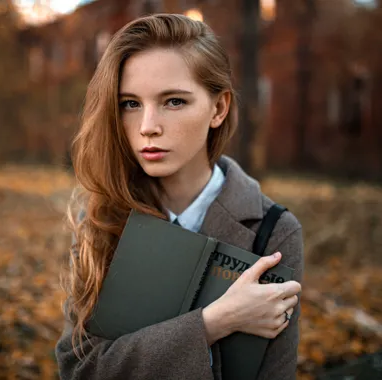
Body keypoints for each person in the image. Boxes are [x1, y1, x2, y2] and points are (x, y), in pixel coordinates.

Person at [56, 13, 303, 380]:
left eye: (173, 101)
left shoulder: (274, 231)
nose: (147, 127)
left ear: (218, 108)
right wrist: (211, 324)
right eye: (130, 103)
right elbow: (80, 369)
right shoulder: (100, 218)